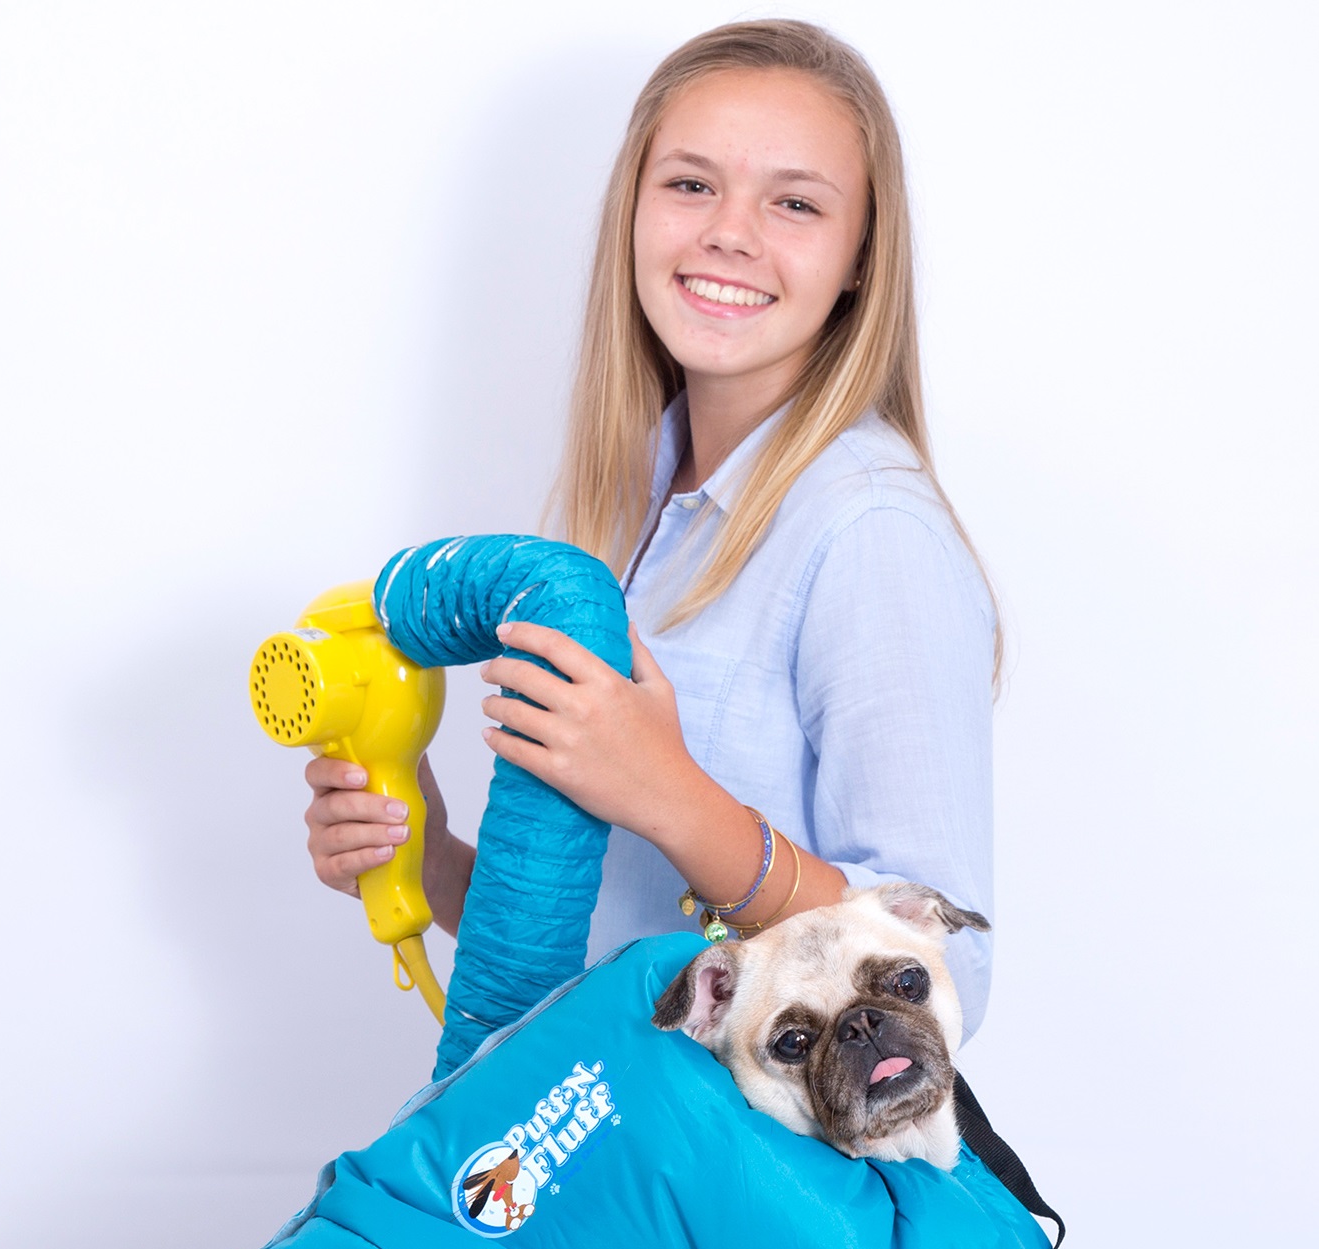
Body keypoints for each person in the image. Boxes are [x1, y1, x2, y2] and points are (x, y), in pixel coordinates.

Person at [304, 19, 1000, 1039]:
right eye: (690, 184)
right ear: (632, 209)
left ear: (861, 258)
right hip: (600, 1146)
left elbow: (947, 979)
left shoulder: (869, 530)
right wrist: (435, 859)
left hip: (727, 1190)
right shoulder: (634, 498)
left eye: (796, 203)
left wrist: (673, 797)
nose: (729, 231)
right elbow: (617, 956)